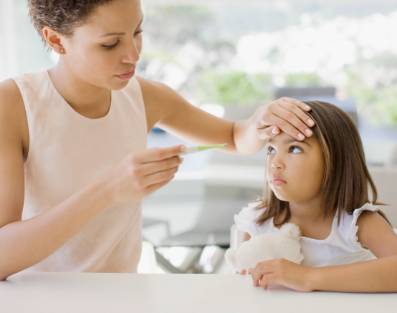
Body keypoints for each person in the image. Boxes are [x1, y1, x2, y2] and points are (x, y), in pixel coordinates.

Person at [0, 0, 315, 280]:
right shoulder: (14, 105)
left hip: (122, 295)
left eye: (137, 32)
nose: (133, 55)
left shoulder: (145, 97)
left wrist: (260, 121)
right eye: (110, 45)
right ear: (56, 40)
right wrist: (110, 189)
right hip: (35, 298)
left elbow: (233, 137)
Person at [233, 101, 397, 292]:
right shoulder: (257, 220)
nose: (275, 162)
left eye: (294, 148)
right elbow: (242, 285)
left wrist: (307, 277)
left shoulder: (355, 224)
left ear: (335, 161)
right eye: (271, 149)